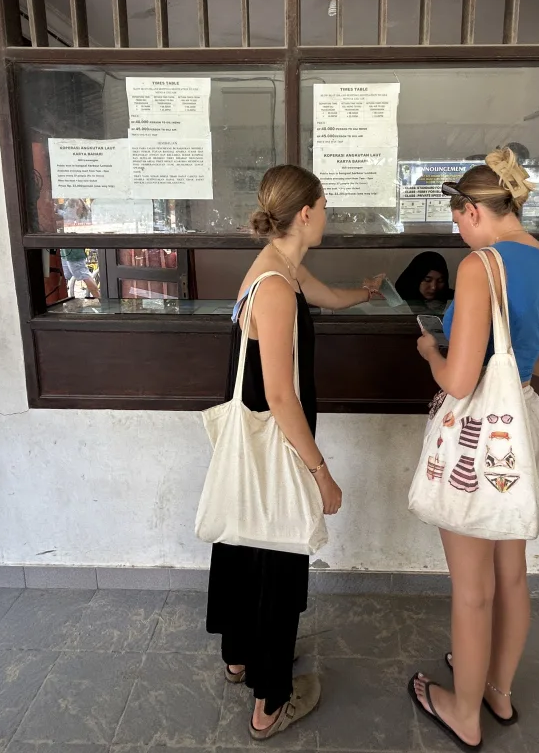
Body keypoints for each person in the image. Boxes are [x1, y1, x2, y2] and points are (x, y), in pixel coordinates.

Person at [407, 147, 539, 750]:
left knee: (472, 588)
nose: (456, 229)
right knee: (511, 576)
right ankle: (498, 693)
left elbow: (459, 381)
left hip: (477, 438)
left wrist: (432, 350)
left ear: (476, 210)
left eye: (457, 216)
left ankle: (464, 714)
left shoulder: (481, 266)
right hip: (522, 429)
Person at [207, 164, 383, 741]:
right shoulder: (278, 288)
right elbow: (281, 395)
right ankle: (269, 701)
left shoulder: (277, 269)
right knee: (276, 567)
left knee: (243, 548)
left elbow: (327, 296)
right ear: (306, 212)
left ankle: (238, 658)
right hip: (280, 444)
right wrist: (321, 472)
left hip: (253, 444)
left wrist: (366, 294)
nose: (328, 214)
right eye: (325, 205)